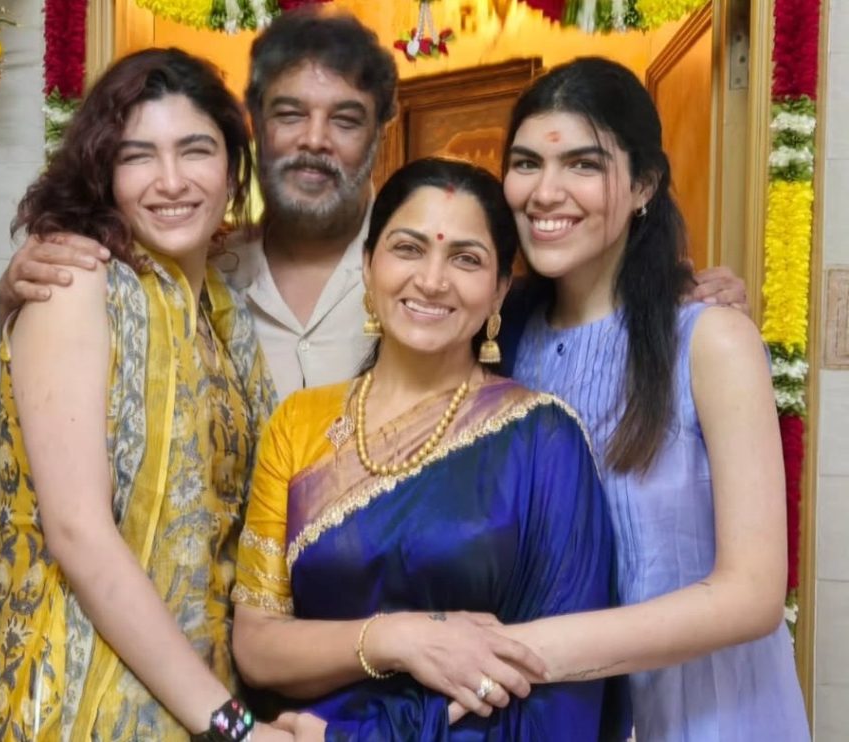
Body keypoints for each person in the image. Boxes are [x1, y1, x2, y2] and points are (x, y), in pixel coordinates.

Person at [231, 157, 629, 740]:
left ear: (499, 290)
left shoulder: (544, 440)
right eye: (408, 249)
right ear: (368, 266)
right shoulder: (298, 424)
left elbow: (556, 691)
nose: (432, 280)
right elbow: (257, 647)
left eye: (466, 258)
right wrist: (395, 638)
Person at [0, 48, 292, 741]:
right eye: (137, 156)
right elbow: (78, 533)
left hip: (194, 696)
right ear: (104, 173)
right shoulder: (74, 281)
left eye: (196, 149)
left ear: (232, 167)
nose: (171, 181)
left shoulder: (222, 315)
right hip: (81, 702)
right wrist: (235, 726)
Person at [497, 57, 810, 741]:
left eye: (583, 164)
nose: (545, 192)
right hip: (559, 720)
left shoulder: (709, 340)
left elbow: (753, 594)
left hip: (709, 716)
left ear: (643, 184)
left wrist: (523, 651)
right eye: (525, 164)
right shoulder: (501, 343)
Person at [0, 10, 397, 401]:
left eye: (345, 120)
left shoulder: (417, 278)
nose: (314, 139)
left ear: (381, 131)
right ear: (256, 126)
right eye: (290, 115)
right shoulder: (207, 270)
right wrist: (13, 303)